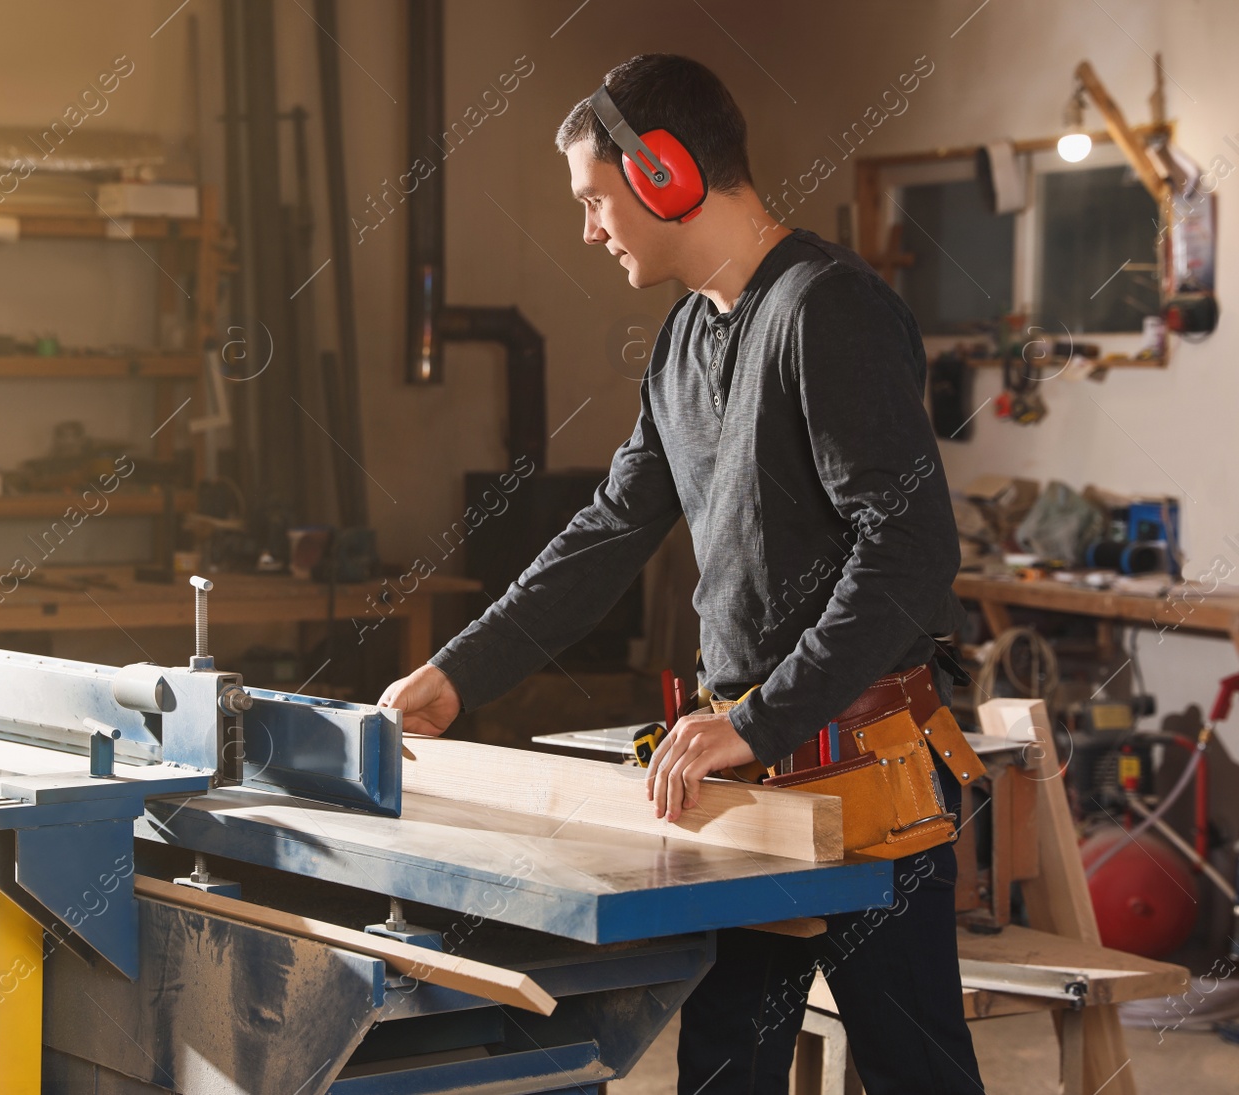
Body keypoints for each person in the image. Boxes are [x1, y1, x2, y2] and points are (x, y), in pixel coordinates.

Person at [377, 53, 985, 1094]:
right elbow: (612, 529)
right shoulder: (683, 341)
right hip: (740, 782)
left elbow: (910, 552)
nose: (587, 229)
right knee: (722, 1068)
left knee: (913, 1072)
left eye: (593, 198)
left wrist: (755, 718)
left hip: (862, 773)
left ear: (664, 173)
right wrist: (456, 675)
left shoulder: (823, 311)